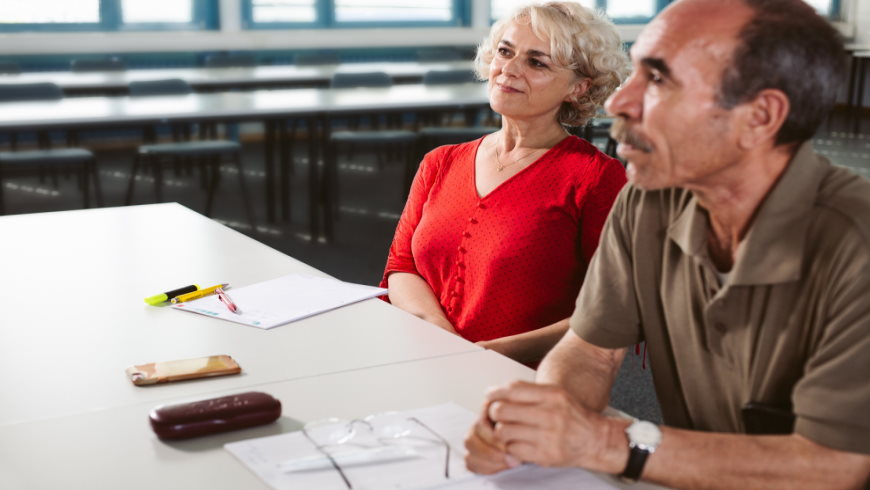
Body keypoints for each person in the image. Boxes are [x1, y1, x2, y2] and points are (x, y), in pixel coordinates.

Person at [464, 0, 870, 487]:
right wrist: (544, 419)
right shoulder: (648, 200)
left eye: (658, 80)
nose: (618, 102)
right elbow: (590, 350)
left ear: (760, 116)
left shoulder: (856, 244)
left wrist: (601, 441)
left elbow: (836, 464)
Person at [379, 2, 629, 366]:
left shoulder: (595, 178)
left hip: (524, 380)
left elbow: (612, 309)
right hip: (424, 359)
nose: (508, 70)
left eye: (536, 62)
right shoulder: (440, 161)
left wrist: (486, 357)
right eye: (505, 52)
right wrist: (438, 336)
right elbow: (401, 266)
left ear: (578, 88)